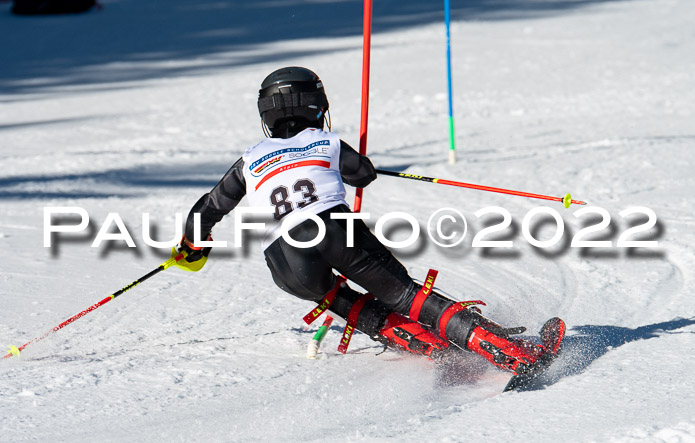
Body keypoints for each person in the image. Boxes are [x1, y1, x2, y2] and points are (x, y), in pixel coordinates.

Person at [175, 66, 559, 378]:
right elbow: (362, 174)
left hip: (281, 259)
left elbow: (207, 208)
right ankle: (512, 353)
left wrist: (194, 245)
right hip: (328, 227)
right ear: (317, 105)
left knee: (334, 295)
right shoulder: (324, 141)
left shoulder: (252, 158)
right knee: (404, 294)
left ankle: (425, 344)